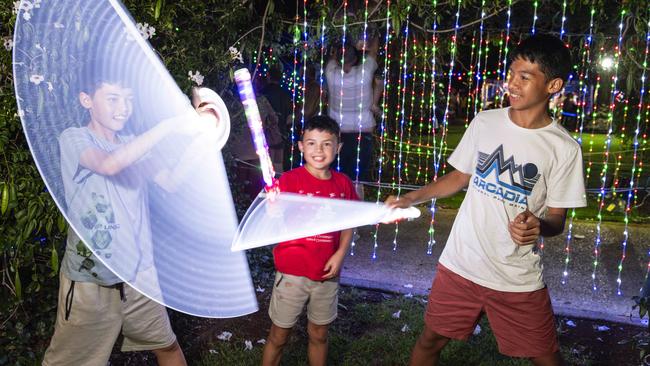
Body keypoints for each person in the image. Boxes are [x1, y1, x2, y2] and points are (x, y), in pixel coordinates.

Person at [386, 34, 586, 366]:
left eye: (525, 76)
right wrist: (411, 198)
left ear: (553, 85)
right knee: (430, 341)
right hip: (461, 264)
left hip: (516, 275)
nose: (512, 83)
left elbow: (556, 220)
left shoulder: (564, 148)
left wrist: (538, 226)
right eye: (511, 73)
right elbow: (459, 176)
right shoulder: (485, 122)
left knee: (547, 358)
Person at [43, 64, 219, 366]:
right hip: (91, 282)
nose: (123, 108)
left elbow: (171, 181)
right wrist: (172, 124)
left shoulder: (133, 143)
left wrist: (205, 140)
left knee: (168, 347)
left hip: (139, 277)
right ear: (86, 100)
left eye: (128, 99)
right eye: (112, 98)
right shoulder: (74, 139)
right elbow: (110, 164)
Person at [262, 115, 358, 366]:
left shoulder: (343, 184)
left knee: (319, 333)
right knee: (279, 335)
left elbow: (349, 222)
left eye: (327, 144)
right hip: (292, 274)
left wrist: (340, 253)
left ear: (338, 148)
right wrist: (273, 209)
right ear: (301, 146)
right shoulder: (290, 180)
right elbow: (275, 217)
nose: (319, 150)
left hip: (326, 275)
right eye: (312, 143)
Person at [326, 36, 382, 198]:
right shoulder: (365, 72)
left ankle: (339, 211)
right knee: (358, 180)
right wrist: (371, 36)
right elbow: (374, 51)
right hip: (362, 133)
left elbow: (331, 57)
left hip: (339, 135)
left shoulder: (331, 74)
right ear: (357, 58)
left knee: (338, 176)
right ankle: (356, 215)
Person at [261, 66, 293, 171]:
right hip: (280, 134)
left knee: (266, 165)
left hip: (266, 134)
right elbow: (289, 118)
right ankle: (279, 185)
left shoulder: (262, 93)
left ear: (268, 76)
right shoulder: (285, 94)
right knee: (279, 163)